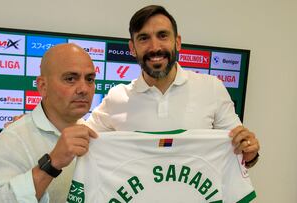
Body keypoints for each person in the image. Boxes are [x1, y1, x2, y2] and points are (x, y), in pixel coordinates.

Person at [86, 5, 260, 167]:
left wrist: (250, 153)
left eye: (163, 36)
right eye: (144, 38)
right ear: (132, 48)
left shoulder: (212, 88)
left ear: (177, 42)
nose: (155, 47)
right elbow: (83, 141)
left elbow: (240, 151)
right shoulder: (116, 97)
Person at [0, 43, 98, 202]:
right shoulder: (14, 138)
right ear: (43, 86)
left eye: (89, 79)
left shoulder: (98, 133)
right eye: (70, 79)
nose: (84, 88)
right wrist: (52, 163)